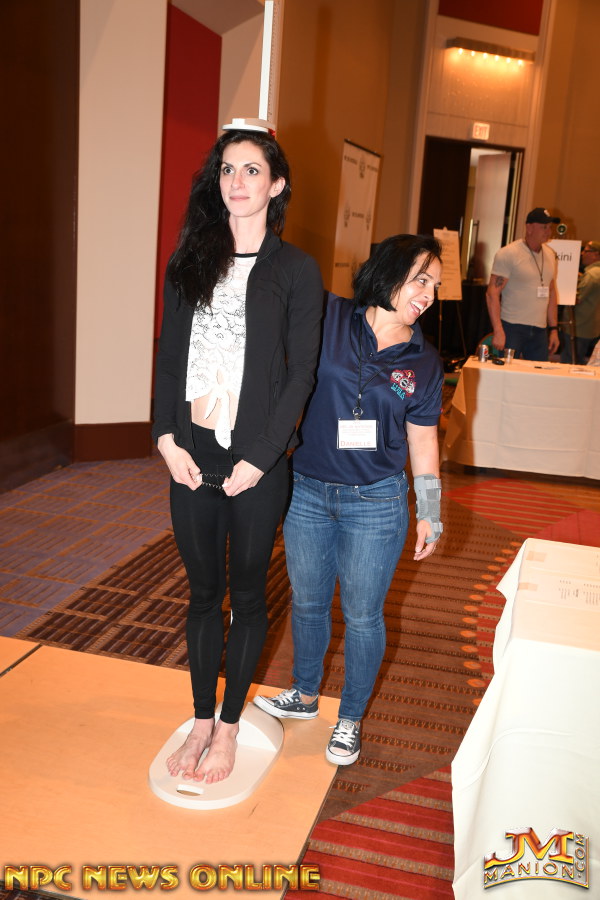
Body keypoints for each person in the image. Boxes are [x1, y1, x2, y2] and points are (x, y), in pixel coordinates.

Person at [152, 128, 323, 784]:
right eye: (228, 169)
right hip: (190, 457)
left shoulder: (295, 269)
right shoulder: (190, 259)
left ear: (276, 184)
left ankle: (228, 727)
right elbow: (170, 358)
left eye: (253, 170)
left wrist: (263, 456)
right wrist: (165, 438)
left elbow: (301, 374)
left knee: (247, 595)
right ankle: (200, 719)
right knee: (202, 595)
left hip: (257, 464)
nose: (238, 182)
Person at [254, 234, 444, 766]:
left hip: (376, 502)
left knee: (362, 616)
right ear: (388, 273)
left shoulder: (424, 362)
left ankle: (351, 717)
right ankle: (305, 692)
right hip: (308, 491)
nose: (428, 294)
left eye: (434, 285)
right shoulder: (330, 317)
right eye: (420, 279)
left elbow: (424, 441)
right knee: (308, 602)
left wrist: (430, 511)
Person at [485, 207, 561, 361]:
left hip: (540, 330)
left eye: (550, 227)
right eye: (544, 227)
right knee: (507, 372)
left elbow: (551, 292)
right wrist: (498, 330)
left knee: (537, 373)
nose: (548, 231)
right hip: (512, 327)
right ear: (529, 227)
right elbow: (492, 293)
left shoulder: (550, 254)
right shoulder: (509, 253)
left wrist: (554, 329)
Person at [560, 241, 600, 364]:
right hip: (589, 326)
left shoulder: (591, 275)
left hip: (579, 327)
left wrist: (561, 287)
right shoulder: (594, 273)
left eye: (586, 251)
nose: (582, 254)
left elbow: (576, 299)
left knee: (570, 363)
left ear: (596, 254)